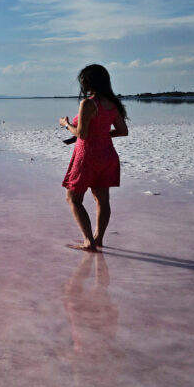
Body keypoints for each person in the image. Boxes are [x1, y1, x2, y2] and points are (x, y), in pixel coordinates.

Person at [59, 64, 128, 252]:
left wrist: (66, 124)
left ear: (88, 82)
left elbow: (81, 134)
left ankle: (89, 241)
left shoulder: (88, 103)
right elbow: (123, 131)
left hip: (87, 157)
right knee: (102, 200)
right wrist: (100, 136)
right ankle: (98, 239)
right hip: (107, 155)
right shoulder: (112, 104)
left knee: (73, 199)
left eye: (83, 80)